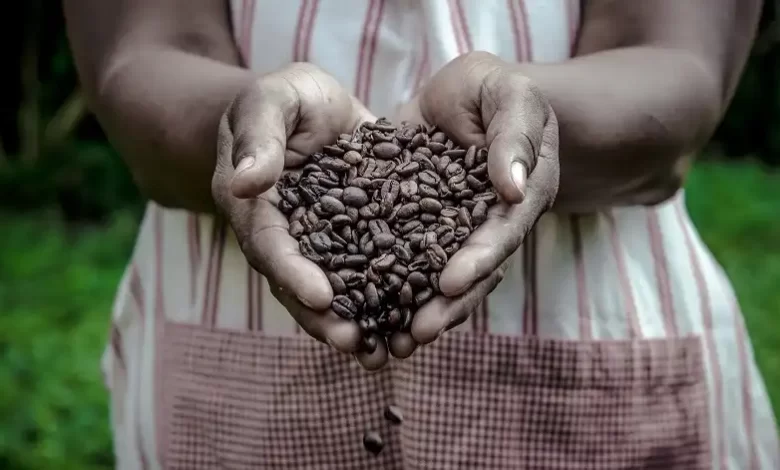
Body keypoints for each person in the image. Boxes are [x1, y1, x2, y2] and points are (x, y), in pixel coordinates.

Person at [64, 0, 779, 468]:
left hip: (596, 329)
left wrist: (527, 115)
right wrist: (248, 130)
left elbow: (684, 66)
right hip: (227, 366)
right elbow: (135, 56)